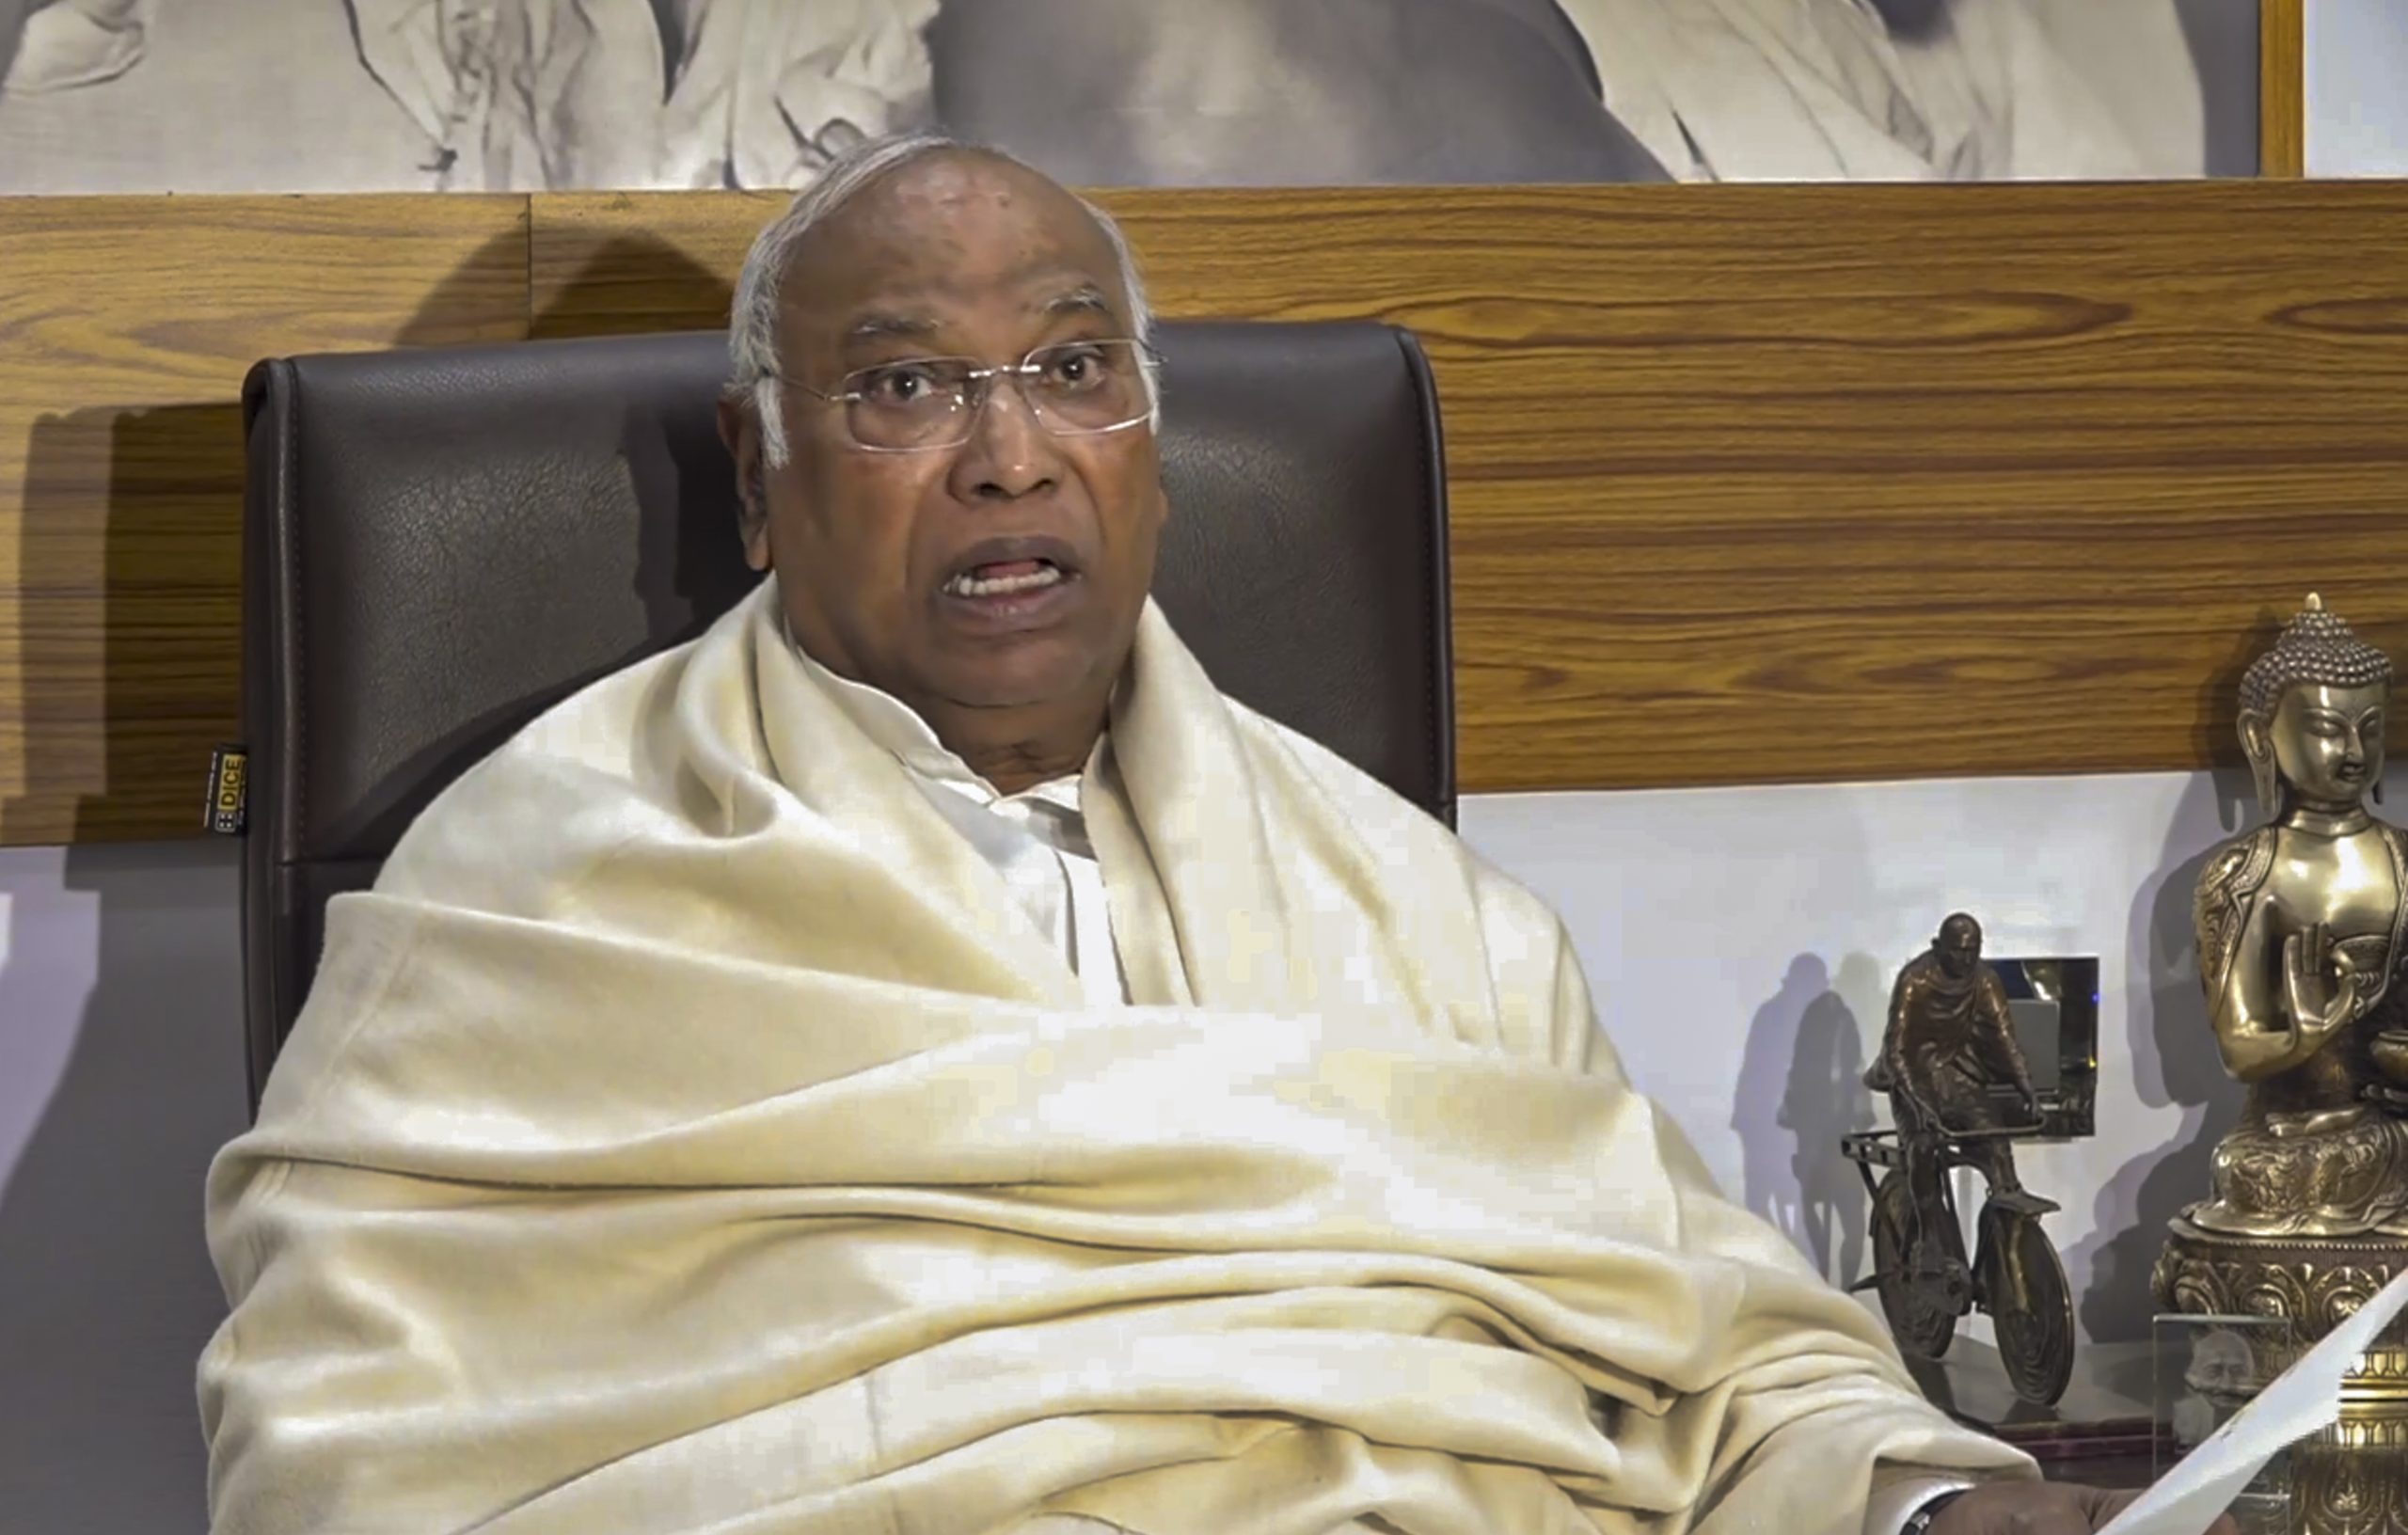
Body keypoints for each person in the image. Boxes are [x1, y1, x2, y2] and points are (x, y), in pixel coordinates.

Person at [198, 133, 2227, 1535]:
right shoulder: (534, 890)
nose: (1010, 457)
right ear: (761, 469)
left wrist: (1923, 1498)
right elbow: (340, 1451)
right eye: (905, 386)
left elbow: (1713, 1344)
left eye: (1074, 369)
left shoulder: (1416, 908)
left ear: (1152, 449)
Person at [1867, 912, 2043, 1207]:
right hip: (1914, 1077)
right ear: (1938, 947)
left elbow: (2004, 1040)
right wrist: (1918, 1104)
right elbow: (1896, 1050)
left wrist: (2028, 1091)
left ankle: (2008, 1208)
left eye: (1973, 950)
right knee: (1923, 1147)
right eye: (1958, 951)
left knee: (1996, 1140)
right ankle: (1929, 1228)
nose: (1967, 959)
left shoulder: (1985, 980)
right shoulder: (1914, 980)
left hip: (1958, 1075)